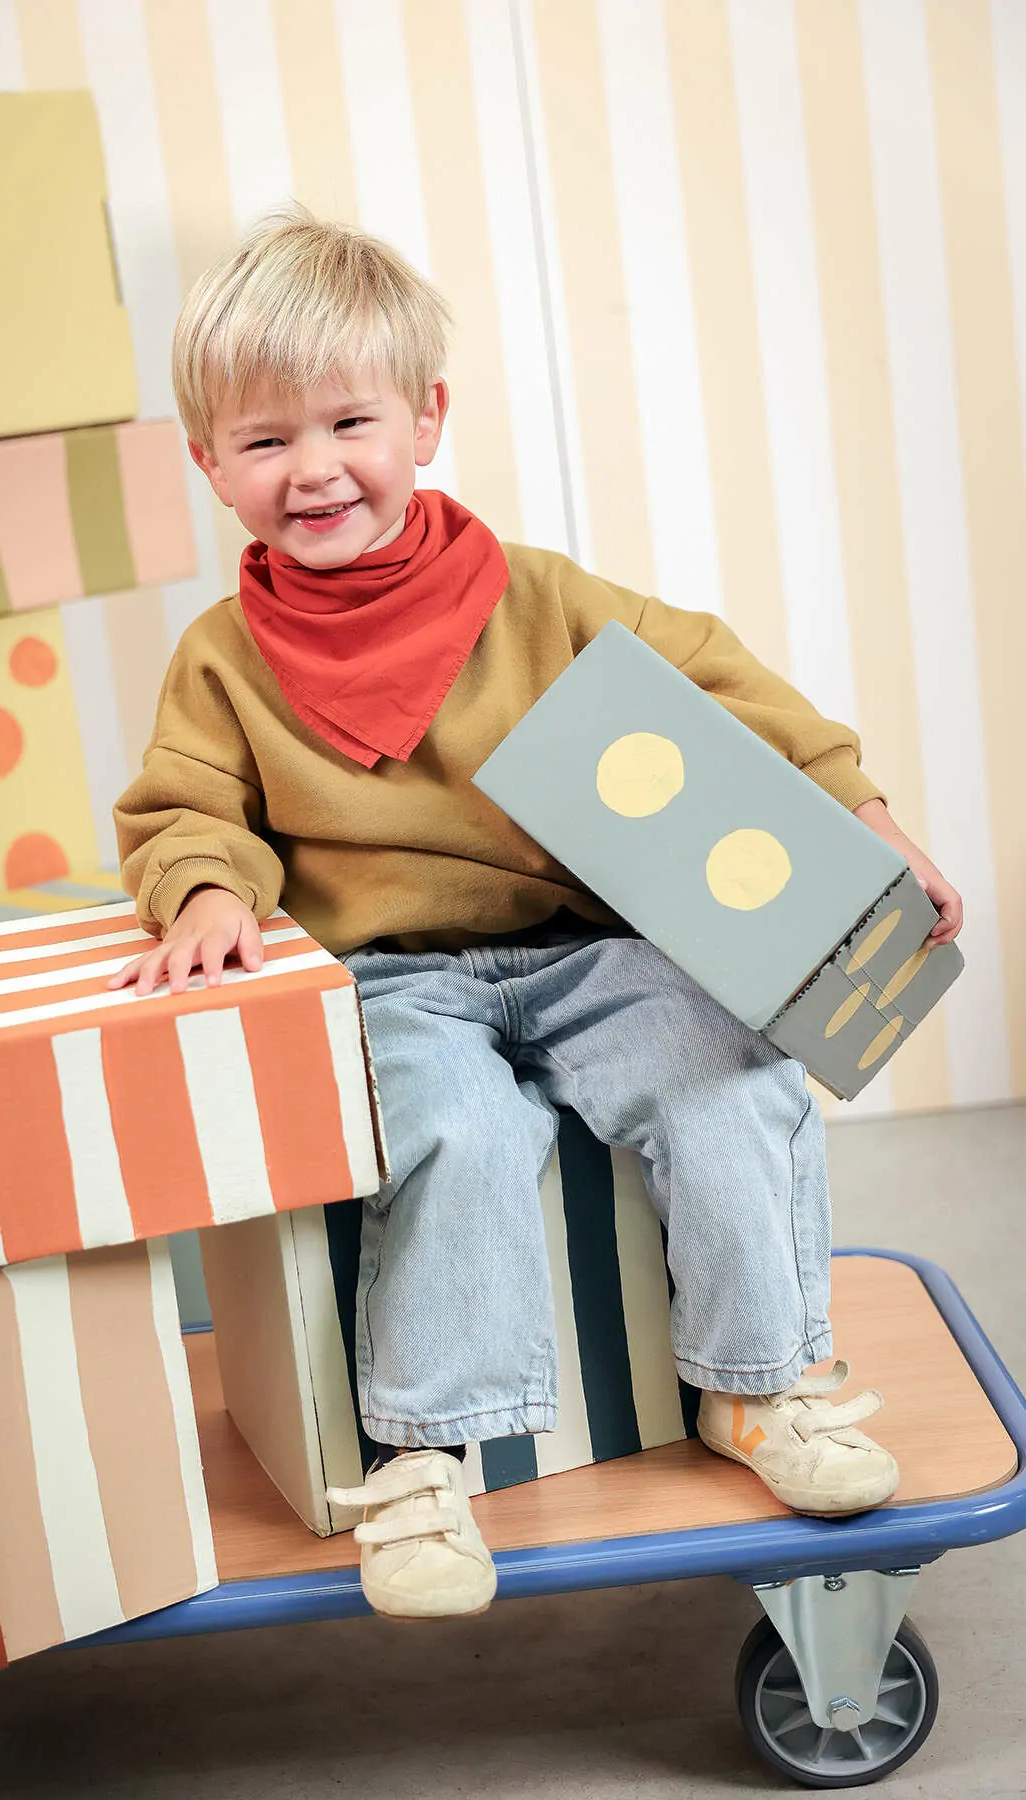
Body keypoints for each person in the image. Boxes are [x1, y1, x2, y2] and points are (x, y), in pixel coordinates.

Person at [112, 206, 963, 1623]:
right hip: (387, 974)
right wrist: (205, 885)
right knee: (458, 1126)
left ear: (428, 418)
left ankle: (758, 1387)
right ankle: (427, 1454)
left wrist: (864, 829)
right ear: (209, 462)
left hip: (590, 948)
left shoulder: (541, 600)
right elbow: (185, 802)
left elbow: (730, 693)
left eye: (349, 424)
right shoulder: (222, 660)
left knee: (726, 1073)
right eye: (264, 443)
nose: (314, 471)